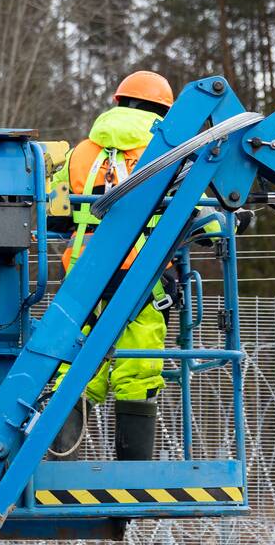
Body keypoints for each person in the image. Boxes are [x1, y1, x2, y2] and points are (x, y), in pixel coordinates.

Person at [48, 71, 187, 461]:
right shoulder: (170, 150)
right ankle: (132, 472)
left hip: (84, 278)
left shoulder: (80, 153)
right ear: (164, 110)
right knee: (138, 368)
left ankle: (62, 466)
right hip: (145, 280)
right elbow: (197, 211)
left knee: (73, 367)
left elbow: (53, 213)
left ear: (119, 102)